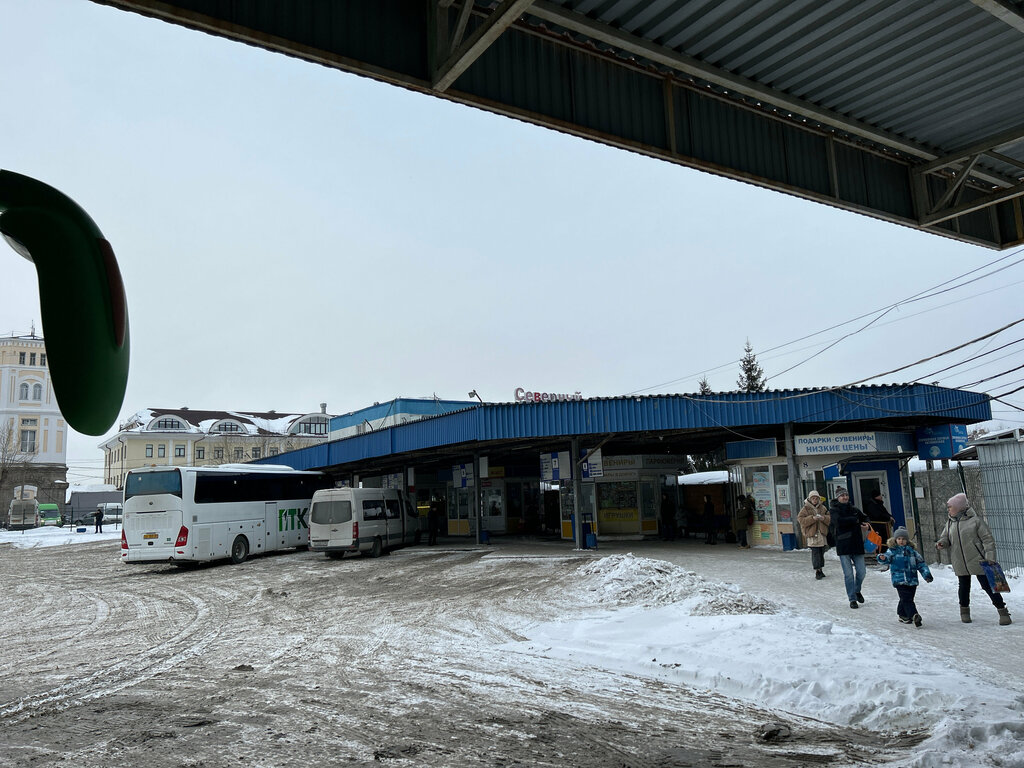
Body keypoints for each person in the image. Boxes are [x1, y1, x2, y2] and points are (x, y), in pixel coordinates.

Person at [936, 492, 1012, 626]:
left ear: (959, 508)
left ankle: (1002, 611)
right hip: (960, 561)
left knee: (988, 585)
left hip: (979, 560)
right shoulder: (950, 522)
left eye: (950, 507)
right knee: (964, 586)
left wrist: (990, 558)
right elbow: (945, 537)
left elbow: (988, 540)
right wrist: (942, 543)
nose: (948, 509)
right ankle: (964, 612)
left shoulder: (976, 521)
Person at [876, 526, 933, 626]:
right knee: (906, 598)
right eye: (899, 539)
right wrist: (882, 557)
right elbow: (886, 558)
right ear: (895, 540)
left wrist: (926, 575)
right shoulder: (892, 551)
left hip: (912, 580)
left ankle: (902, 614)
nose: (901, 541)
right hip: (899, 580)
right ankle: (914, 615)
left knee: (907, 599)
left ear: (907, 540)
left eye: (903, 539)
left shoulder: (912, 552)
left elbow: (921, 564)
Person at [830, 487, 870, 608]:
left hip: (857, 545)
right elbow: (839, 522)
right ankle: (852, 598)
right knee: (848, 574)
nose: (845, 497)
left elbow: (865, 517)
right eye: (842, 496)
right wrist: (856, 521)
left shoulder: (854, 509)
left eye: (846, 495)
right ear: (838, 497)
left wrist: (866, 524)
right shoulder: (834, 510)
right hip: (843, 546)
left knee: (862, 572)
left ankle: (857, 590)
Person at [797, 491, 830, 579]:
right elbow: (800, 520)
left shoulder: (823, 508)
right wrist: (812, 518)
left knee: (821, 552)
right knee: (815, 553)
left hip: (822, 534)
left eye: (816, 498)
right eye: (813, 498)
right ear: (810, 499)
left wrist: (824, 518)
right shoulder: (805, 508)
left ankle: (821, 569)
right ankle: (817, 571)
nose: (815, 500)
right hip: (812, 534)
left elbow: (830, 518)